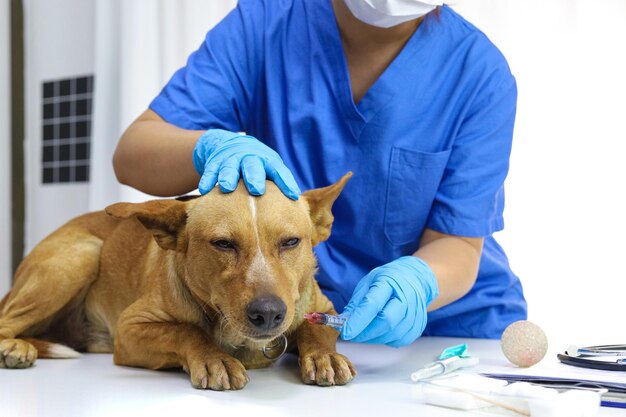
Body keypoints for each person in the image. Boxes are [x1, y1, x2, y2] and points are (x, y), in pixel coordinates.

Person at [113, 0, 527, 347]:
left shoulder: (478, 73)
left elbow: (459, 244)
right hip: (293, 321)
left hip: (450, 330)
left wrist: (416, 283)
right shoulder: (267, 25)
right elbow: (133, 153)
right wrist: (209, 147)